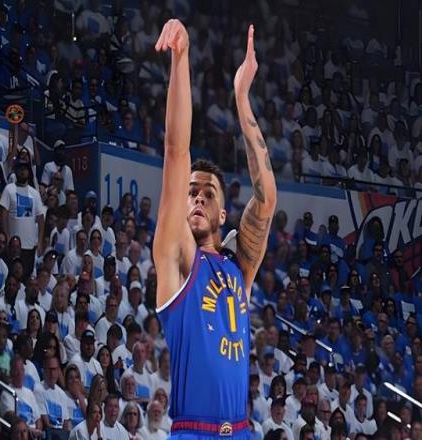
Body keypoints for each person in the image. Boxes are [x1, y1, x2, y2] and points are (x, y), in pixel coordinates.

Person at [153, 21, 276, 437]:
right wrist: (182, 58)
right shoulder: (177, 257)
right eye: (192, 192)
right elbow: (176, 151)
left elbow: (267, 199)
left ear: (223, 214)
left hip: (241, 429)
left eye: (209, 194)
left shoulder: (238, 266)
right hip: (193, 430)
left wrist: (242, 99)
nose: (198, 198)